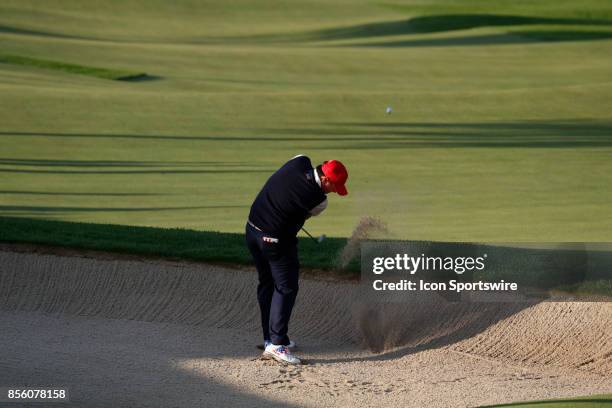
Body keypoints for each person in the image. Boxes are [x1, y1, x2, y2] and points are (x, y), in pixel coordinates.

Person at [245, 155, 349, 364]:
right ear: (326, 180)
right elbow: (304, 214)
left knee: (267, 283)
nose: (333, 191)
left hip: (251, 230)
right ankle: (276, 345)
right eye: (334, 186)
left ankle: (271, 338)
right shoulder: (320, 201)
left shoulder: (300, 161)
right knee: (286, 287)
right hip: (274, 241)